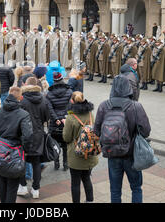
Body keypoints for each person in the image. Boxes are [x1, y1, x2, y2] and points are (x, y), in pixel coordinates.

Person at [94, 75, 151, 203]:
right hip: (131, 155)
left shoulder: (104, 106)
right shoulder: (136, 106)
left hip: (112, 155)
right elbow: (146, 131)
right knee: (136, 188)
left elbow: (96, 131)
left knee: (115, 190)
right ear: (128, 88)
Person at [0, 87, 33, 204]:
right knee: (12, 184)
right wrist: (25, 150)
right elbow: (28, 136)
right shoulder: (23, 114)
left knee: (2, 179)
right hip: (15, 151)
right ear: (20, 98)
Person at [17, 77, 50, 199]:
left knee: (22, 161)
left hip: (23, 134)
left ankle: (23, 186)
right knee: (36, 163)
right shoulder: (43, 99)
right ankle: (36, 189)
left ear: (25, 84)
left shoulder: (22, 100)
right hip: (38, 134)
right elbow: (47, 117)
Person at [63, 91, 98, 203]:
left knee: (75, 182)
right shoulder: (90, 114)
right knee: (86, 178)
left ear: (72, 101)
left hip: (75, 155)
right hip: (90, 152)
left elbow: (66, 138)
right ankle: (89, 200)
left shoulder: (70, 117)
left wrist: (65, 125)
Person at [46, 71, 73, 171]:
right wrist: (64, 117)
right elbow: (70, 106)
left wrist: (56, 118)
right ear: (62, 79)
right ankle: (66, 164)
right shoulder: (69, 92)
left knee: (55, 143)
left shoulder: (49, 94)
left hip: (54, 122)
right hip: (66, 121)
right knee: (66, 143)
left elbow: (50, 108)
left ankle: (56, 163)